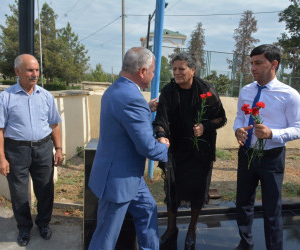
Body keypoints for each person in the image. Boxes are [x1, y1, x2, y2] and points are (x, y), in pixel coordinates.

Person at [88, 47, 170, 250]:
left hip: (128, 176)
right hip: (118, 181)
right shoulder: (132, 99)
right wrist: (166, 147)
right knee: (106, 237)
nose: (152, 76)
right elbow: (147, 148)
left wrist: (146, 108)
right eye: (152, 72)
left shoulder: (116, 89)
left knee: (147, 209)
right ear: (142, 71)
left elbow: (123, 118)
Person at [233, 44, 300, 250]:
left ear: (274, 64)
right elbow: (240, 118)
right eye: (251, 63)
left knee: (272, 208)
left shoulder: (289, 95)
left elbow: (298, 129)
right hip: (246, 153)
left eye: (258, 63)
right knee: (243, 203)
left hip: (272, 156)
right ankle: (245, 243)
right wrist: (238, 130)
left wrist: (272, 133)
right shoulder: (246, 90)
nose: (252, 68)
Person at [153, 52, 227, 250]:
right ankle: (171, 228)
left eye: (181, 69)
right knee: (172, 188)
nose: (176, 72)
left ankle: (192, 228)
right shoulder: (168, 90)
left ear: (192, 70)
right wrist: (160, 135)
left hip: (199, 150)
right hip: (175, 148)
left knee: (197, 190)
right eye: (174, 69)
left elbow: (221, 118)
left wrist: (205, 127)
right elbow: (160, 118)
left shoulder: (206, 90)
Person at [0, 54, 63, 246]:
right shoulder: (5, 98)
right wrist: (0, 159)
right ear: (17, 71)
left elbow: (54, 124)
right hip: (16, 152)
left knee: (46, 190)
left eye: (37, 70)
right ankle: (24, 228)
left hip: (43, 149)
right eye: (30, 70)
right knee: (19, 194)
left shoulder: (46, 96)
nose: (35, 74)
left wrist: (59, 148)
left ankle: (44, 224)